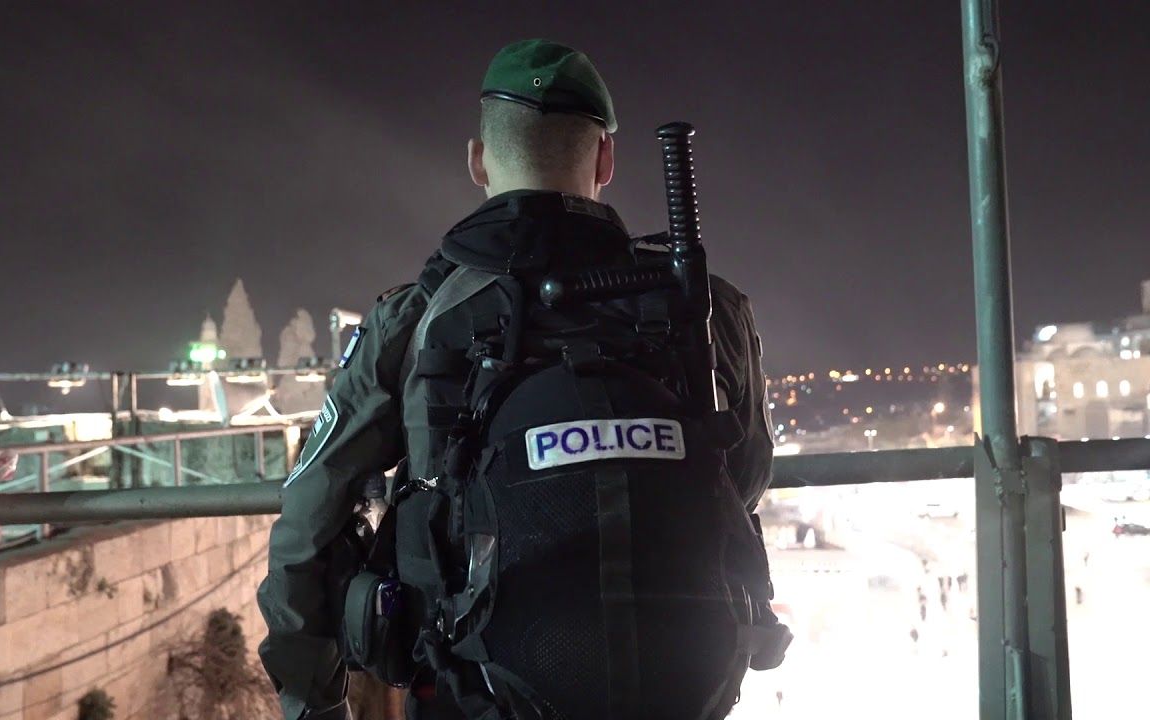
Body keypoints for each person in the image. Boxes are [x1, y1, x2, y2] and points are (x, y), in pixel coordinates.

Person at [258, 38, 777, 720]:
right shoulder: (702, 307)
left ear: (478, 160)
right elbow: (743, 479)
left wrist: (313, 703)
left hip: (470, 695)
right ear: (606, 158)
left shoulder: (417, 319)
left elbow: (310, 523)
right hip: (680, 689)